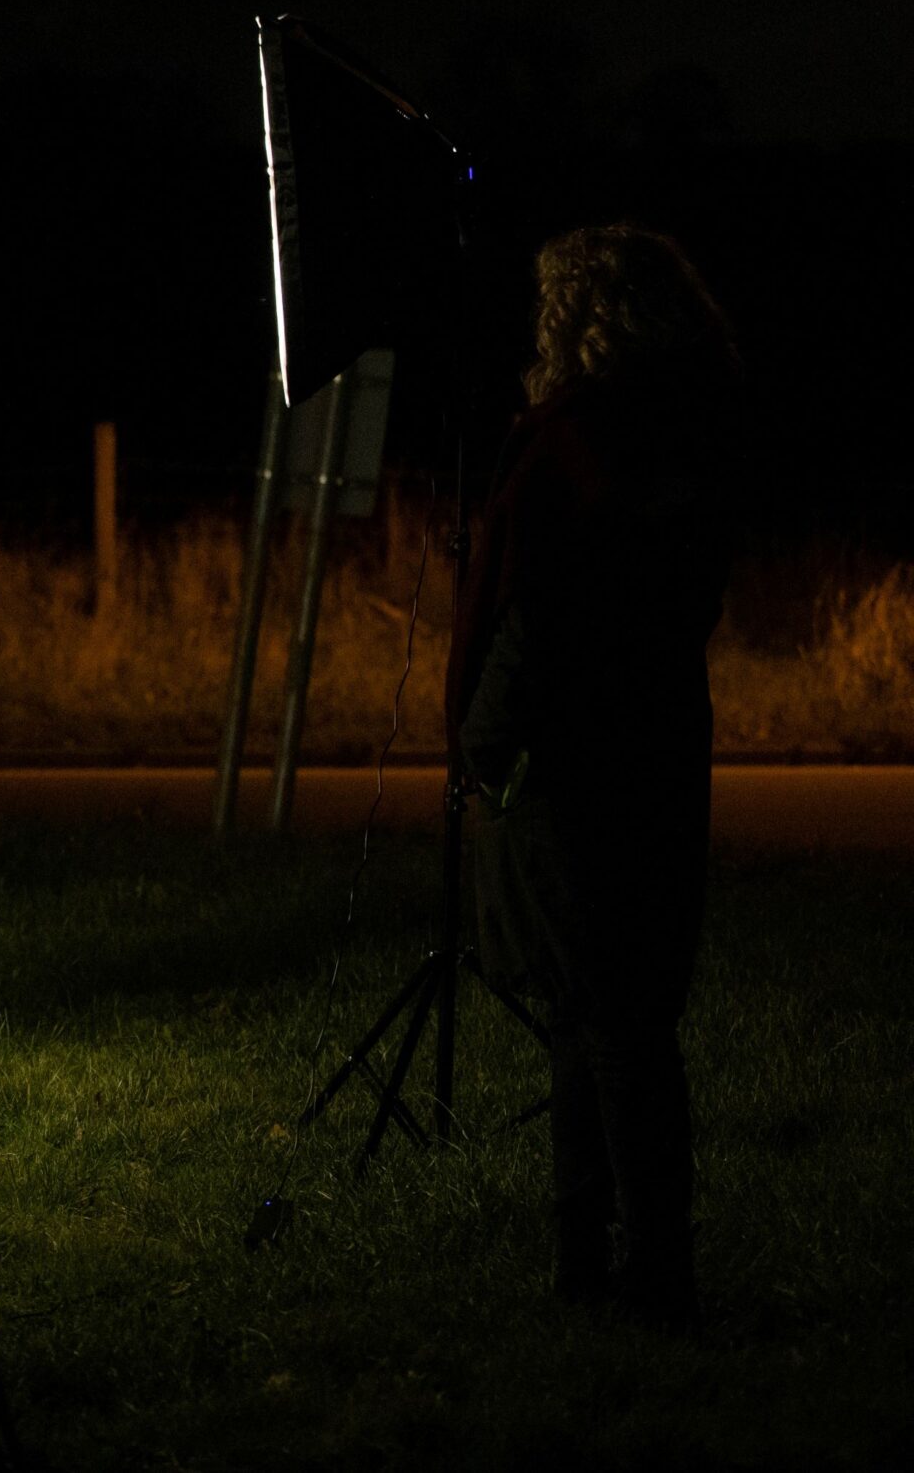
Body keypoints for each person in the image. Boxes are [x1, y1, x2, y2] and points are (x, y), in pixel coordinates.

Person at [448, 223, 741, 1323]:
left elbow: (533, 605)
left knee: (598, 1023)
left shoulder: (575, 440)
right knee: (614, 1012)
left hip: (569, 762)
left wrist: (483, 741)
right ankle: (603, 1265)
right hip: (659, 738)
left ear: (579, 318)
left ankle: (640, 1271)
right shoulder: (700, 433)